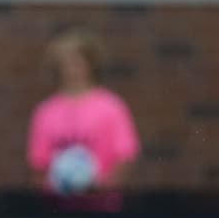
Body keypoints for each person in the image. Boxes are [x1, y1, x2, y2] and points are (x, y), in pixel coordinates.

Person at [27, 29, 139, 207]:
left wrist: (99, 187)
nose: (71, 69)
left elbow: (125, 156)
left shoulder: (111, 107)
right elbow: (38, 163)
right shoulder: (46, 111)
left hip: (101, 208)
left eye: (77, 62)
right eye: (65, 63)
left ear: (90, 64)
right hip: (58, 208)